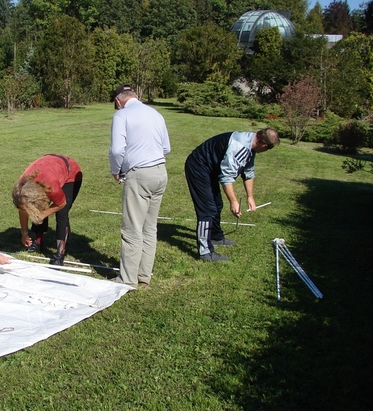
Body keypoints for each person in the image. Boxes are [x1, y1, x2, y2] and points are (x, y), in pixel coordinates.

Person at [184, 128, 280, 262]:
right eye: (268, 149)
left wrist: (250, 197)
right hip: (198, 166)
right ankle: (205, 252)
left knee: (217, 204)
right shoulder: (240, 147)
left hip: (210, 168)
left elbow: (248, 172)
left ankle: (215, 236)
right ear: (264, 145)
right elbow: (226, 177)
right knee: (207, 210)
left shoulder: (251, 145)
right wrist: (234, 202)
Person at [109, 84, 171, 290]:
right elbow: (166, 148)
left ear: (118, 101)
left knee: (132, 228)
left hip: (139, 175)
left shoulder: (122, 116)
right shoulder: (155, 113)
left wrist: (116, 170)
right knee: (149, 227)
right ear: (135, 95)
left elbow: (117, 149)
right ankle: (144, 275)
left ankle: (127, 278)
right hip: (160, 172)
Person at [12, 154, 83, 266]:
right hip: (49, 168)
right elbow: (23, 209)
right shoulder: (22, 188)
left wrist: (42, 215)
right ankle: (38, 243)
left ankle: (60, 253)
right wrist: (24, 233)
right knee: (36, 210)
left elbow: (61, 203)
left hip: (71, 175)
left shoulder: (51, 187)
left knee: (62, 213)